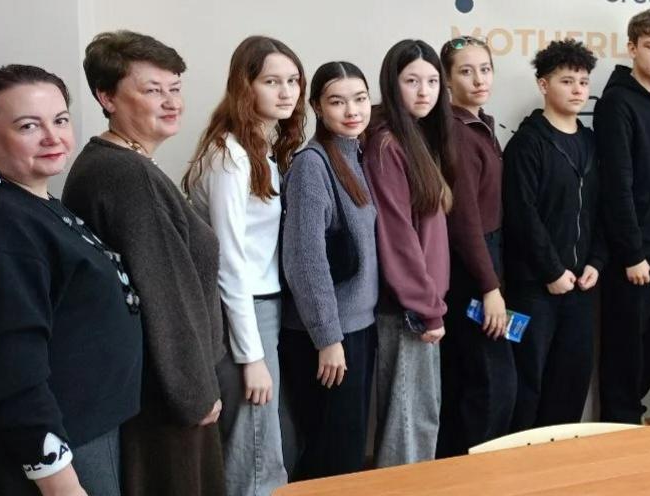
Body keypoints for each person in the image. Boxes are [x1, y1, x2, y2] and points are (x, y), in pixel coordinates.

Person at [62, 31, 225, 495]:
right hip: (165, 395)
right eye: (153, 90)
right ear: (107, 97)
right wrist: (194, 393)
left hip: (158, 384)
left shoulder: (119, 163)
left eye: (175, 88)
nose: (171, 102)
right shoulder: (127, 175)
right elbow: (164, 293)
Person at [0, 65, 142, 496]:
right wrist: (59, 480)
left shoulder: (34, 200)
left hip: (92, 427)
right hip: (67, 445)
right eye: (28, 126)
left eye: (59, 120)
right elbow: (13, 365)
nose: (52, 137)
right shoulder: (5, 222)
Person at [182, 36, 305, 495]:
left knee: (271, 442)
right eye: (272, 81)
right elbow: (228, 262)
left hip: (263, 307)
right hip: (244, 309)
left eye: (293, 80)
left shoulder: (260, 148)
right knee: (254, 449)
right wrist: (251, 356)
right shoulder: (229, 156)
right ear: (244, 85)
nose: (286, 92)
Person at [279, 61, 378, 480]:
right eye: (338, 102)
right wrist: (328, 337)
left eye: (360, 99)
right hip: (328, 335)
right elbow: (305, 259)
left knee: (346, 451)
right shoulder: (312, 165)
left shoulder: (355, 155)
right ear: (318, 107)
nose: (352, 110)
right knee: (330, 456)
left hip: (357, 326)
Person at [505, 39, 605, 430]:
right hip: (535, 287)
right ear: (544, 85)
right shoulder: (527, 143)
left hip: (581, 285)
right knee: (527, 380)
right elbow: (522, 215)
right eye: (567, 81)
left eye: (583, 82)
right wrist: (551, 270)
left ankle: (559, 455)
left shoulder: (591, 142)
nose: (578, 89)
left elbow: (602, 209)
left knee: (572, 380)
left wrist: (597, 261)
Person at [365, 39, 453, 466]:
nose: (424, 91)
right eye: (412, 80)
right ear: (391, 83)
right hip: (406, 311)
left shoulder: (415, 137)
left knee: (419, 421)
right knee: (408, 428)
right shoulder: (387, 144)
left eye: (433, 81)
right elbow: (396, 236)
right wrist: (427, 308)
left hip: (421, 305)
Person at [595, 9, 650, 425]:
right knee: (625, 348)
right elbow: (617, 185)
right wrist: (632, 253)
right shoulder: (617, 102)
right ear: (632, 48)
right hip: (633, 253)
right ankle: (619, 425)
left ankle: (632, 418)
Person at [435, 36, 516, 456]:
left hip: (488, 256)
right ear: (448, 80)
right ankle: (475, 472)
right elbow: (464, 220)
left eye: (485, 69)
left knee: (476, 379)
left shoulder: (479, 123)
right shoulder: (457, 132)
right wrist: (489, 287)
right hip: (472, 267)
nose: (479, 79)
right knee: (490, 383)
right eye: (466, 71)